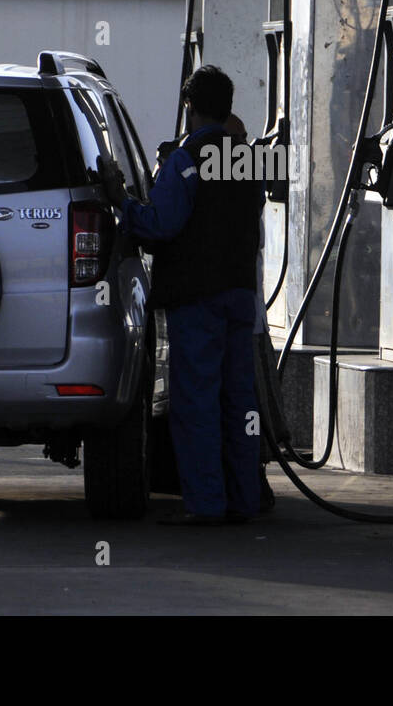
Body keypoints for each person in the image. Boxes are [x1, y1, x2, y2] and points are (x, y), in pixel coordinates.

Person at [98, 66, 264, 525]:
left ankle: (207, 506)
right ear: (228, 106)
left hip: (198, 297)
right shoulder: (247, 159)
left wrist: (122, 201)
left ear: (189, 107)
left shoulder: (185, 158)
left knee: (197, 402)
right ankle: (243, 500)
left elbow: (161, 225)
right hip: (239, 295)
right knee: (239, 401)